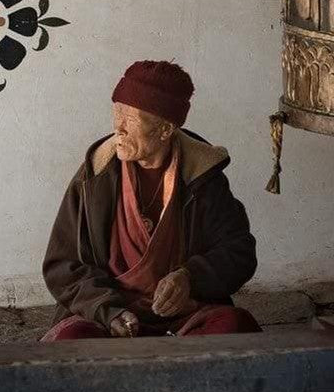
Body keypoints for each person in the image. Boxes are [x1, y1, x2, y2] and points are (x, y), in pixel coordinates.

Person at [41, 60, 261, 340]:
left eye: (130, 119)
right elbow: (62, 265)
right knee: (72, 343)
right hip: (108, 312)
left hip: (183, 311)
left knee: (233, 328)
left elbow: (239, 251)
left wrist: (190, 278)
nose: (118, 127)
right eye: (116, 112)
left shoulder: (202, 176)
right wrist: (107, 310)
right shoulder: (95, 174)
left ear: (165, 130)